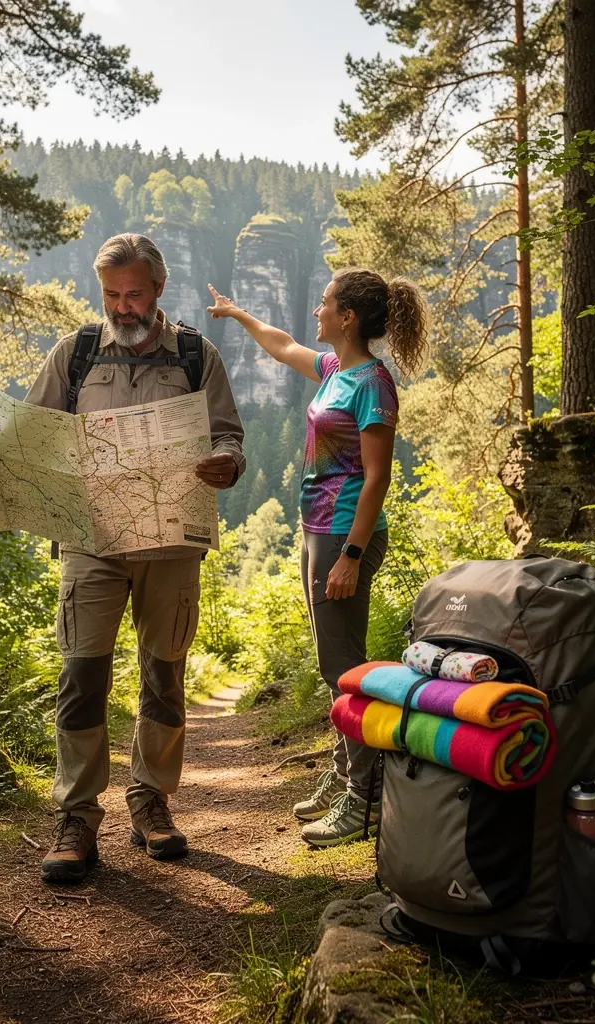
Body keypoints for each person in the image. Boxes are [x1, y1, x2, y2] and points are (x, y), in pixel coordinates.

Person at [0, 234, 245, 883]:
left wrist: (227, 463)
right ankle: (77, 818)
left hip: (172, 542)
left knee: (163, 675)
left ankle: (152, 803)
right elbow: (23, 435)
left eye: (134, 294)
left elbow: (228, 433)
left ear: (158, 290)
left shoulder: (197, 355)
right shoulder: (77, 353)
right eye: (112, 294)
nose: (122, 306)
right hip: (89, 539)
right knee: (81, 676)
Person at [207, 269, 427, 847]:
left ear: (347, 317)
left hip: (344, 534)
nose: (317, 311)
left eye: (325, 303)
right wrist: (238, 315)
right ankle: (341, 776)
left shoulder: (373, 384)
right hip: (318, 530)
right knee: (336, 661)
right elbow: (282, 347)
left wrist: (351, 554)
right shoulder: (335, 370)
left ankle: (362, 797)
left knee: (343, 666)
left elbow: (377, 478)